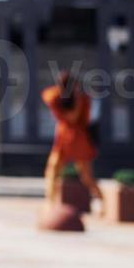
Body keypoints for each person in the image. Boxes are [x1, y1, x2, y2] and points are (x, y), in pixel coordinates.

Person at [41, 67, 102, 213]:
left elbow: (75, 118)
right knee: (52, 170)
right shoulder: (56, 96)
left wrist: (77, 99)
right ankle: (50, 203)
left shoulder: (81, 98)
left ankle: (101, 200)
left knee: (86, 175)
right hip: (64, 138)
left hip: (77, 139)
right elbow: (51, 99)